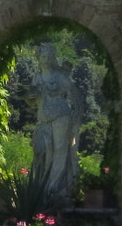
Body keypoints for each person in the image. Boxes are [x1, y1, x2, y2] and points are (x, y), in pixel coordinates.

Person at [28, 42, 85, 210]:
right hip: (43, 119)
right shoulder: (36, 78)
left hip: (61, 116)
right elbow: (31, 102)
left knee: (60, 149)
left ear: (53, 58)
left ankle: (53, 188)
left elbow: (75, 97)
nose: (45, 60)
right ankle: (41, 185)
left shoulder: (60, 78)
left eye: (49, 57)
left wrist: (76, 115)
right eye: (43, 56)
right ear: (38, 58)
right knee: (41, 150)